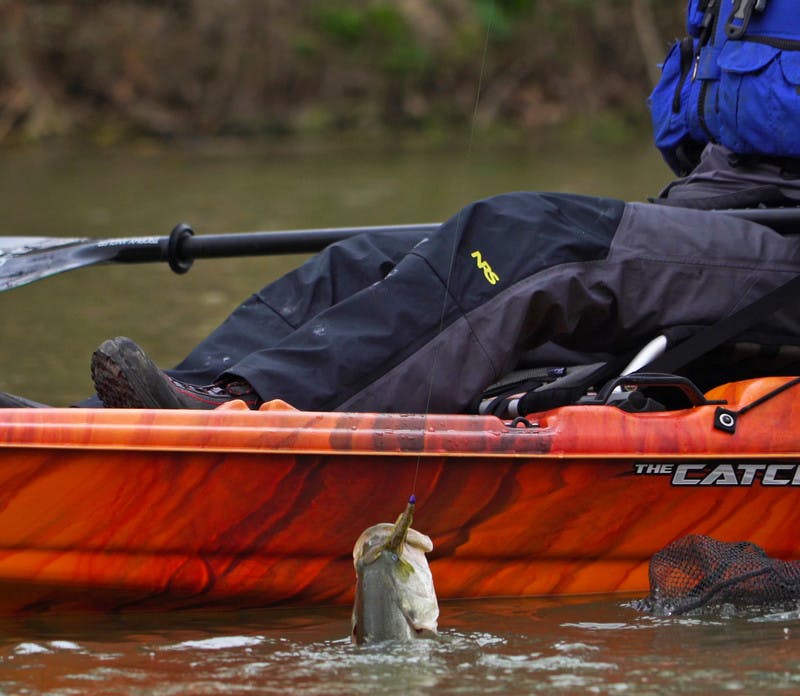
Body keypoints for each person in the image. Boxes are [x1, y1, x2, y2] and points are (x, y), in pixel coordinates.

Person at [5, 0, 800, 415]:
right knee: (368, 258)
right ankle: (177, 405)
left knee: (520, 238)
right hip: (725, 207)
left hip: (784, 256)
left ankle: (258, 420)